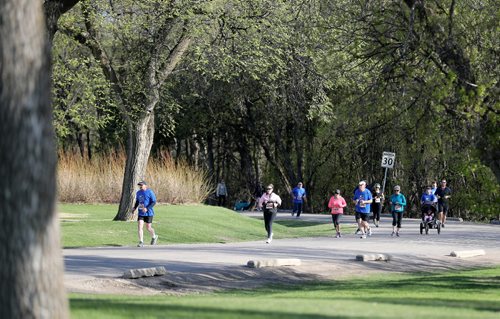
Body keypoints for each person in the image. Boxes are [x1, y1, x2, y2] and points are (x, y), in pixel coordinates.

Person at [133, 181, 158, 247]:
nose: (140, 186)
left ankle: (154, 236)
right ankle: (141, 241)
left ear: (145, 185)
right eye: (139, 185)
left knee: (148, 227)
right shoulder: (138, 193)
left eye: (141, 185)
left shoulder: (150, 192)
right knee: (140, 226)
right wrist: (134, 208)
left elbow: (154, 202)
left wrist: (147, 208)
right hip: (141, 213)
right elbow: (137, 201)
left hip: (149, 213)